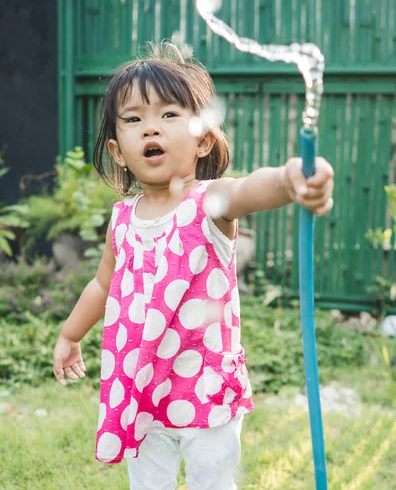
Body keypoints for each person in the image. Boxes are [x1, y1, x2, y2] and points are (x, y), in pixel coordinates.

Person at [53, 42, 334, 490]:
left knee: (212, 482)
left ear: (203, 138)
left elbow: (251, 189)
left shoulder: (209, 202)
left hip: (202, 388)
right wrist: (70, 334)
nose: (151, 129)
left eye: (168, 115)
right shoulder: (122, 219)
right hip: (140, 386)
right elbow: (102, 286)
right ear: (118, 150)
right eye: (133, 119)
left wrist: (289, 180)